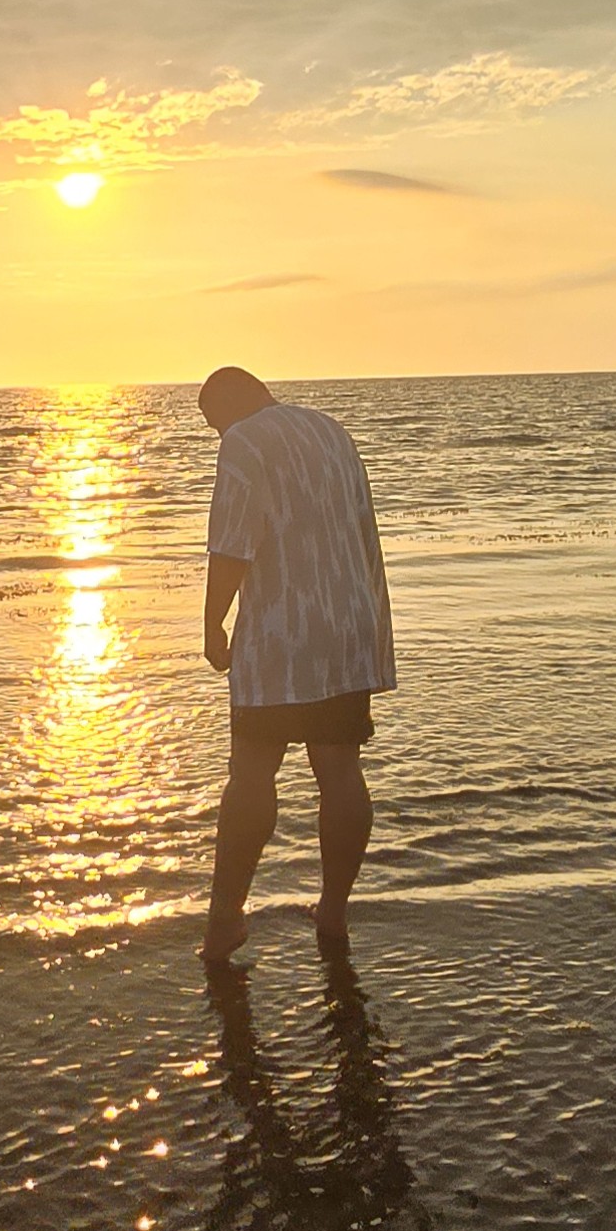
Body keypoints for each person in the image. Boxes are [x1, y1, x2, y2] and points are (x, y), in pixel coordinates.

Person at [196, 366, 395, 962]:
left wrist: (212, 622)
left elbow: (232, 545)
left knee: (252, 774)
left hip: (282, 635)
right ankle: (332, 914)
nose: (218, 435)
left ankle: (224, 922)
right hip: (346, 625)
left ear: (231, 403)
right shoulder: (332, 432)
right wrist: (370, 624)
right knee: (340, 769)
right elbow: (363, 530)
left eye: (215, 423)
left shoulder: (244, 439)